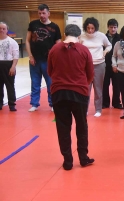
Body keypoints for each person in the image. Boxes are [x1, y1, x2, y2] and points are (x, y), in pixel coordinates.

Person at [47, 24, 95, 171]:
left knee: (62, 127)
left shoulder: (54, 50)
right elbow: (90, 74)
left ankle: (67, 161)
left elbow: (50, 71)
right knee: (81, 126)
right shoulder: (84, 50)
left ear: (64, 34)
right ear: (79, 36)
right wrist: (81, 85)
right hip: (79, 92)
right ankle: (83, 158)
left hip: (59, 92)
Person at [25, 4, 61, 112]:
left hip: (48, 61)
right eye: (39, 13)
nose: (42, 15)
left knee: (50, 83)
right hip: (34, 60)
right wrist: (30, 56)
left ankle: (52, 103)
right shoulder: (33, 24)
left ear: (48, 13)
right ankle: (34, 103)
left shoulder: (55, 27)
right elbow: (27, 40)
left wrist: (55, 58)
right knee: (35, 83)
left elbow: (58, 44)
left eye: (44, 13)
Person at [80, 17, 112, 117]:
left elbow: (109, 45)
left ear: (96, 28)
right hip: (86, 66)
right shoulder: (81, 36)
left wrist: (105, 51)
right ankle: (84, 109)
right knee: (86, 89)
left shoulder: (101, 36)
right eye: (88, 28)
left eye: (92, 28)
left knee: (98, 89)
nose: (90, 30)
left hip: (99, 65)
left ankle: (98, 109)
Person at [103, 18, 123, 109]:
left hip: (117, 65)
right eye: (111, 27)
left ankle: (116, 103)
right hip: (105, 64)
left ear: (117, 28)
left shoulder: (120, 38)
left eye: (115, 27)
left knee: (117, 85)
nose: (113, 29)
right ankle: (105, 103)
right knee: (105, 84)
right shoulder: (103, 37)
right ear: (108, 27)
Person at [0, 22, 19, 111]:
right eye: (0, 28)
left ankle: (12, 104)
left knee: (10, 85)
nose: (1, 30)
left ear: (7, 30)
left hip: (8, 64)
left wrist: (13, 67)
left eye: (3, 29)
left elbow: (15, 56)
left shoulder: (12, 42)